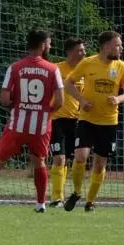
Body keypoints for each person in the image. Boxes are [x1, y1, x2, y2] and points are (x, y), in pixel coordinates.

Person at [0, 29, 65, 211]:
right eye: (49, 43)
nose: (50, 46)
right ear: (42, 45)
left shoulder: (15, 67)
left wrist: (16, 108)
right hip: (40, 127)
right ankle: (41, 204)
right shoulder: (53, 69)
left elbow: (4, 99)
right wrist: (45, 112)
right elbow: (60, 101)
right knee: (39, 162)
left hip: (17, 125)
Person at [64, 30, 124, 213]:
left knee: (99, 164)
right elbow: (68, 84)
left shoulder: (121, 66)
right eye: (118, 45)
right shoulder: (88, 63)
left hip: (109, 122)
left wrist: (118, 99)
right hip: (87, 119)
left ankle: (90, 202)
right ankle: (77, 192)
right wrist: (81, 101)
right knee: (80, 157)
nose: (121, 48)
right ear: (106, 46)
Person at [46, 37, 88, 208]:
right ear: (70, 52)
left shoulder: (84, 73)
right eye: (80, 50)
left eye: (84, 50)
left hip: (76, 121)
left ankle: (75, 194)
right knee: (59, 158)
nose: (84, 53)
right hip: (56, 120)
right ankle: (57, 198)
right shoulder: (56, 69)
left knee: (76, 159)